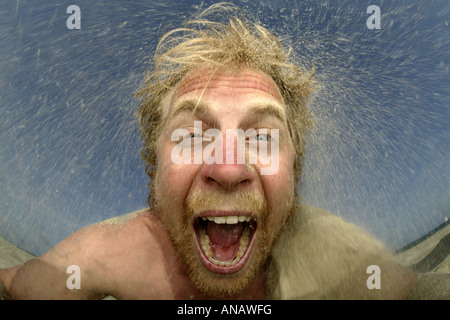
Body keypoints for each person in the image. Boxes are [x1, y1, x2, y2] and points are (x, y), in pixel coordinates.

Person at [0, 3, 448, 300]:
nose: (229, 167)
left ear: (295, 174)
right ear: (154, 172)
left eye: (263, 137)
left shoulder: (341, 256)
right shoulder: (107, 255)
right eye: (193, 135)